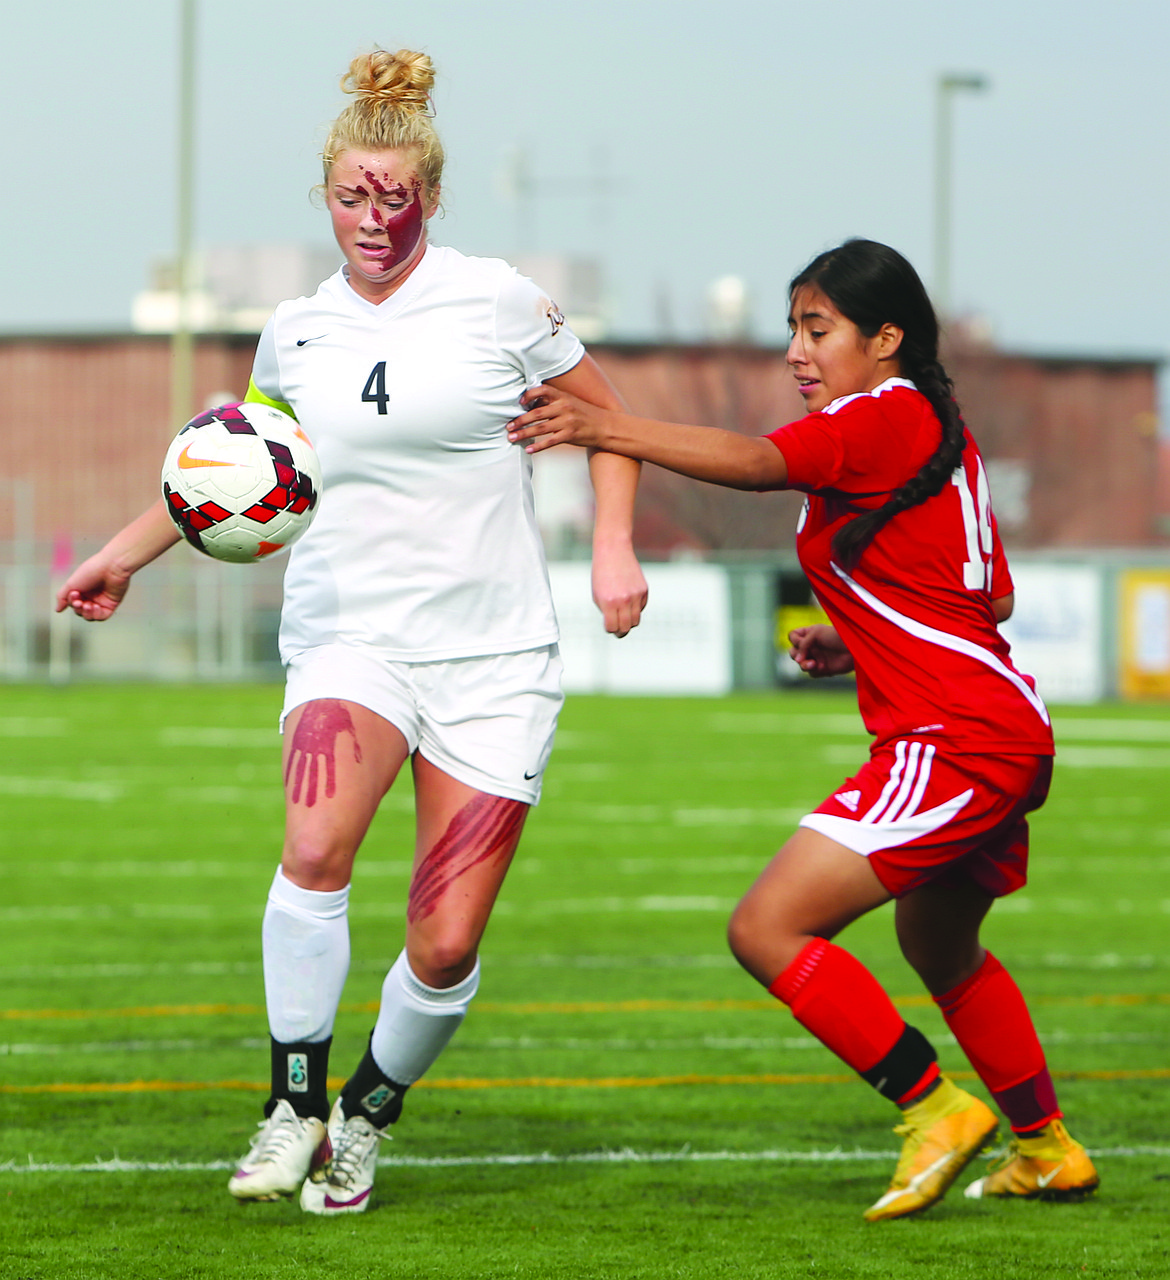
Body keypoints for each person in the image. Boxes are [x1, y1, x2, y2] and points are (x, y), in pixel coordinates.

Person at [57, 48, 647, 1216]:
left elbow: (611, 422)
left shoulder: (498, 300)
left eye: (395, 195)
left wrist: (614, 546)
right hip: (348, 637)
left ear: (429, 192)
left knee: (442, 941)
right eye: (350, 195)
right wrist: (123, 552)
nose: (373, 218)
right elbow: (234, 474)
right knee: (316, 849)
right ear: (323, 194)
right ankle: (291, 1104)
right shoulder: (294, 332)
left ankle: (365, 1115)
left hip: (492, 656)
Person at [507, 238, 1099, 1221]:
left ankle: (934, 1107)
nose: (796, 350)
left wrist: (605, 422)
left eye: (817, 329)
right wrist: (856, 635)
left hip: (950, 737)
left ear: (886, 338)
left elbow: (752, 461)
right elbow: (984, 593)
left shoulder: (882, 414)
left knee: (767, 926)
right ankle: (1047, 1145)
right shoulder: (935, 432)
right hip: (996, 725)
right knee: (940, 944)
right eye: (793, 328)